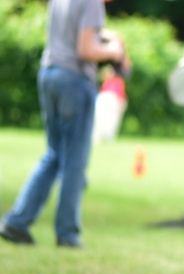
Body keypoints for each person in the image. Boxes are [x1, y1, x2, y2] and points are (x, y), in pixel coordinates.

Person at [0, 0, 130, 248]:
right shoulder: (92, 3)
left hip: (50, 73)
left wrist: (105, 36)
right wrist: (114, 51)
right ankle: (67, 233)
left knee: (54, 154)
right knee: (74, 160)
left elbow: (73, 34)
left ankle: (17, 222)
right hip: (75, 81)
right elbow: (85, 50)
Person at [92, 63, 128, 143]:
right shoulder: (106, 82)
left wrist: (121, 104)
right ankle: (97, 137)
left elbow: (120, 95)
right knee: (99, 118)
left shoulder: (118, 81)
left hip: (113, 100)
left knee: (112, 120)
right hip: (104, 99)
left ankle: (108, 137)